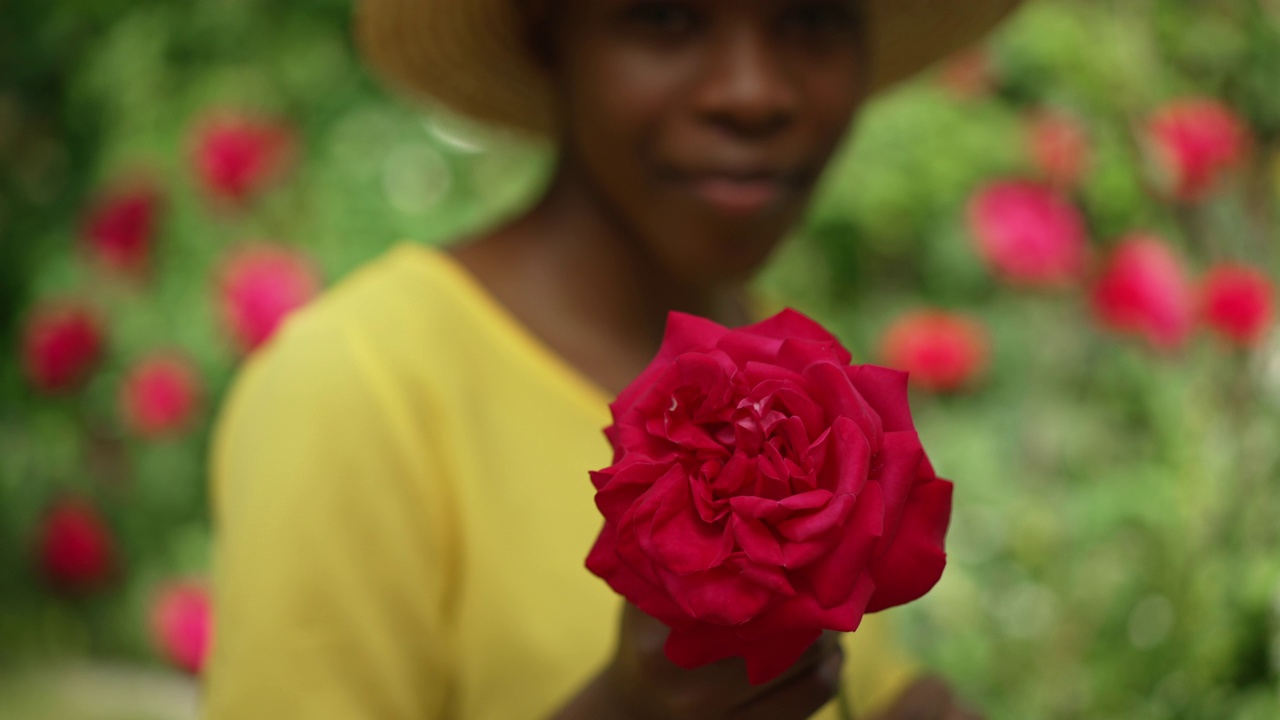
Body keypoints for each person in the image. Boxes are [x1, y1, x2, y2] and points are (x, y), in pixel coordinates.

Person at [203, 1, 1024, 718]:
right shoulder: (356, 383)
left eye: (811, 17)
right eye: (664, 17)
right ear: (547, 31)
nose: (752, 92)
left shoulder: (797, 388)